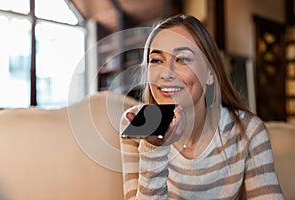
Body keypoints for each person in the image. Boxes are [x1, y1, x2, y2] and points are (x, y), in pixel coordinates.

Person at [119, 14, 284, 199]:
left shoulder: (248, 130)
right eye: (156, 60)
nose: (166, 73)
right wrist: (154, 149)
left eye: (182, 59)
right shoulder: (135, 125)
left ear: (210, 73)